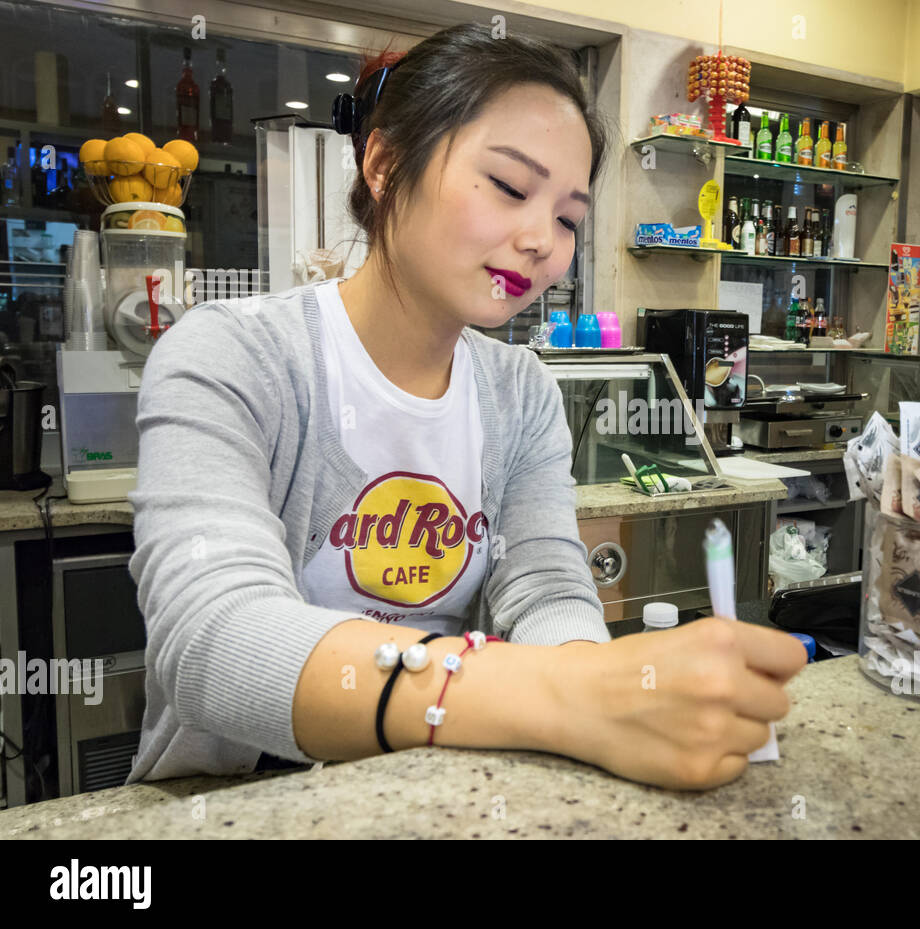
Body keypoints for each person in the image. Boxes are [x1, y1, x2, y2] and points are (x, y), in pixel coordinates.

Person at [126, 24, 805, 792]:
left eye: (569, 218)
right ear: (383, 163)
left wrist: (598, 682)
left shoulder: (520, 391)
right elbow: (215, 639)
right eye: (511, 188)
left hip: (443, 786)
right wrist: (564, 695)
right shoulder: (233, 356)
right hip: (249, 799)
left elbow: (545, 586)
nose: (540, 240)